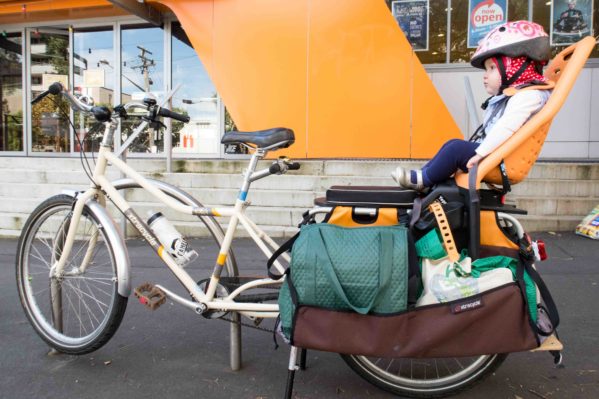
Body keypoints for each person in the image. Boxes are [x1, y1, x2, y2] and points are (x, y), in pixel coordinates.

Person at [392, 20, 553, 191]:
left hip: (499, 160)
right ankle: (424, 177)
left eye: (491, 68)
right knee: (452, 145)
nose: (485, 76)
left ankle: (424, 179)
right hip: (497, 155)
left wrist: (480, 153)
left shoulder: (529, 96)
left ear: (516, 66)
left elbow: (506, 127)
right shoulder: (522, 95)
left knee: (455, 149)